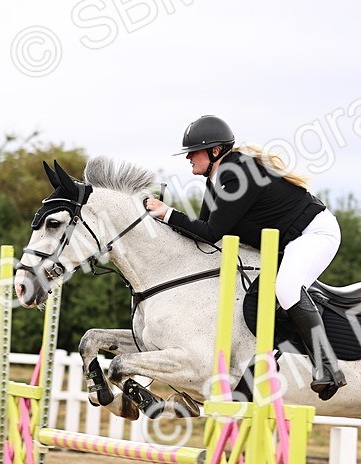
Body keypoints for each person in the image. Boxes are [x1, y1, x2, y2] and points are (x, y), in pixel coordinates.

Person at [144, 114, 346, 401]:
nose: (188, 157)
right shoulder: (217, 181)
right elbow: (203, 239)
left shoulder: (235, 173)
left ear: (214, 151)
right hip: (286, 243)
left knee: (287, 289)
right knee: (255, 302)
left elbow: (212, 231)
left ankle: (328, 366)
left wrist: (167, 213)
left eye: (193, 152)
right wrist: (162, 223)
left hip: (314, 234)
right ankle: (262, 364)